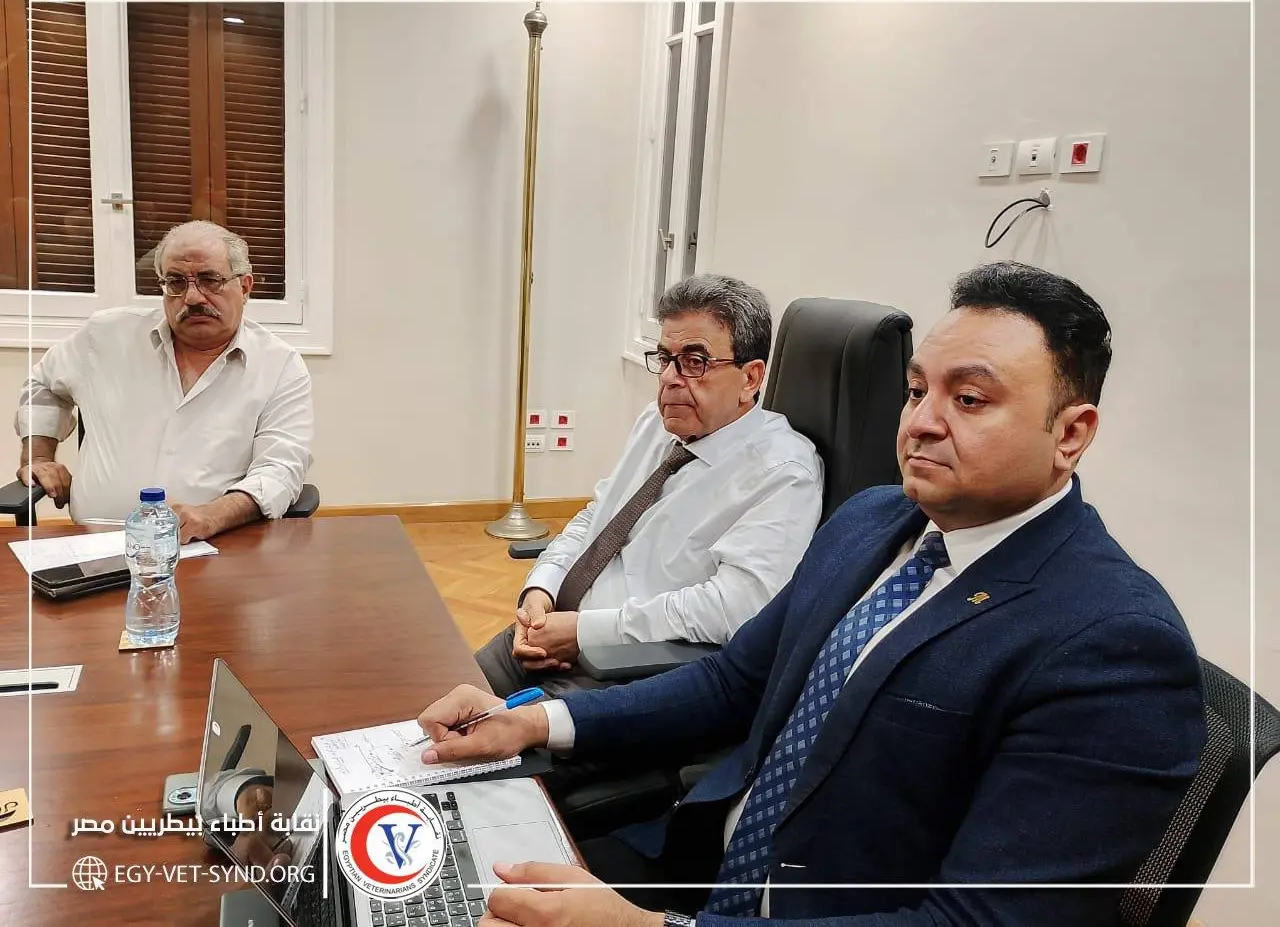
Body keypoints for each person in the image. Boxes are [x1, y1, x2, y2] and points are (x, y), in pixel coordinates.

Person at [420, 262, 1206, 926]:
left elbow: (973, 920)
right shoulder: (872, 521)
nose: (922, 423)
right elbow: (733, 682)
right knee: (436, 868)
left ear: (1070, 433)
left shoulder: (1112, 645)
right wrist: (532, 720)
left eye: (969, 399)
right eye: (916, 391)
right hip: (704, 865)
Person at [476, 274, 823, 698]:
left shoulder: (783, 473)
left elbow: (734, 608)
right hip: (555, 631)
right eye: (665, 358)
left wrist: (584, 632)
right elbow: (597, 518)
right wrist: (541, 590)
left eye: (695, 362)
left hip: (631, 669)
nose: (671, 378)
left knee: (478, 735)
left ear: (750, 379)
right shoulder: (656, 424)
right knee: (437, 698)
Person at [14, 220, 313, 542]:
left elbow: (281, 468)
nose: (193, 297)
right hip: (95, 542)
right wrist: (38, 457)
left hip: (214, 545)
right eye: (176, 282)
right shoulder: (106, 336)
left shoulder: (279, 365)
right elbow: (42, 384)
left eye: (210, 280)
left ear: (245, 287)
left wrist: (213, 515)